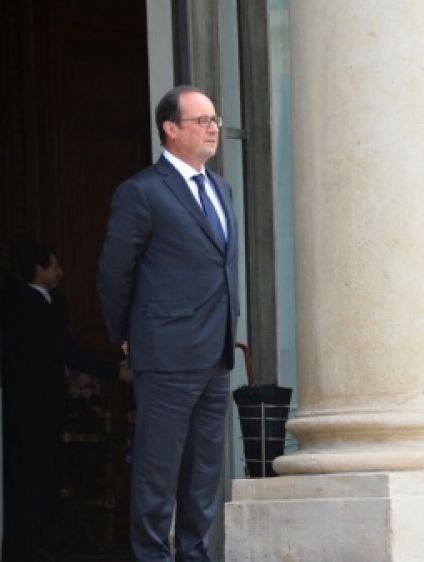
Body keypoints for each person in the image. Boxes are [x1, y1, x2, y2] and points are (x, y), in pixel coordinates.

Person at [97, 85, 239, 562]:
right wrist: (124, 338)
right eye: (201, 121)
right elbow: (114, 272)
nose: (213, 127)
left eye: (215, 119)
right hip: (166, 353)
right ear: (170, 129)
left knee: (203, 472)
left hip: (215, 355)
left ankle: (195, 554)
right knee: (157, 473)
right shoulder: (142, 191)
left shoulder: (221, 188)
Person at [1, 241, 129, 562]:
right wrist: (115, 372)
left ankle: (37, 544)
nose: (62, 272)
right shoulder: (28, 304)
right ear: (38, 270)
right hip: (31, 406)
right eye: (55, 266)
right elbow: (65, 349)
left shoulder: (51, 301)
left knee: (43, 475)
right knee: (33, 477)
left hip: (45, 404)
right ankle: (27, 548)